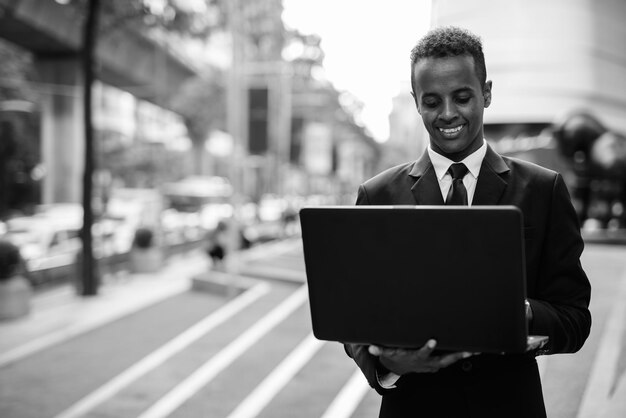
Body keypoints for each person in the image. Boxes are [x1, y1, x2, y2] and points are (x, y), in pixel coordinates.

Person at [344, 26, 592, 417]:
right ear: (416, 102)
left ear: (487, 93)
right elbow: (354, 320)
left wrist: (521, 313)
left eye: (462, 97)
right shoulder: (377, 196)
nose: (447, 114)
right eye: (431, 101)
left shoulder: (544, 190)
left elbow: (576, 318)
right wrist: (390, 366)